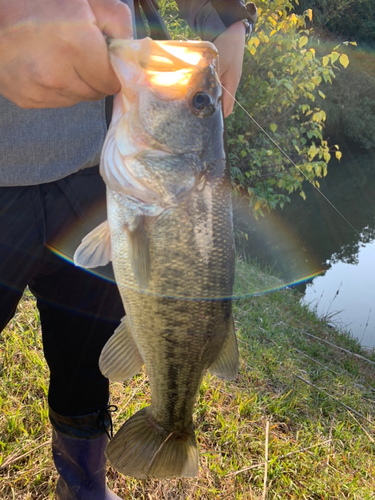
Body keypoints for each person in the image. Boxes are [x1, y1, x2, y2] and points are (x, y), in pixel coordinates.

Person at [0, 1, 257, 498]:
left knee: (85, 349)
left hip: (93, 172)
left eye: (198, 104)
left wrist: (228, 17)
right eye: (199, 104)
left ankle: (83, 484)